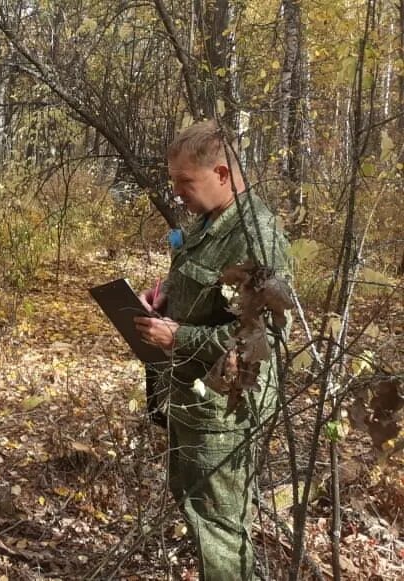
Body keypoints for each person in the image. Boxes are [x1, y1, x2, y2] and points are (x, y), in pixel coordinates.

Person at [134, 120, 290, 579]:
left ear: (222, 174)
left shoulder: (257, 236)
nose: (178, 192)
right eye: (175, 182)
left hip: (225, 407)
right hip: (192, 396)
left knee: (218, 527)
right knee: (198, 510)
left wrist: (177, 337)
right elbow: (209, 297)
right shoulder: (208, 222)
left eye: (187, 181)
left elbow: (263, 339)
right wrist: (162, 299)